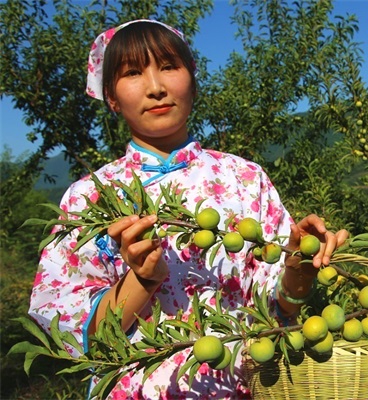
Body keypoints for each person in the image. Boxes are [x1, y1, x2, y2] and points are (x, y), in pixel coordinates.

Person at [28, 19, 348, 399]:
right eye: (132, 72)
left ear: (192, 81)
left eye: (168, 66)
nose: (156, 87)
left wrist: (299, 261)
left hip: (243, 387)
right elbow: (88, 334)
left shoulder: (244, 178)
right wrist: (142, 280)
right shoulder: (90, 198)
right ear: (111, 97)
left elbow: (281, 308)